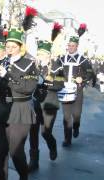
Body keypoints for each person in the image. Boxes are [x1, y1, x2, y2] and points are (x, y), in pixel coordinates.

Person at [0, 27, 38, 180]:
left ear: (20, 47)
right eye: (7, 46)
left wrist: (8, 76)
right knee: (0, 154)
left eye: (13, 46)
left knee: (16, 153)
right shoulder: (0, 63)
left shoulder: (29, 64)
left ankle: (23, 176)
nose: (9, 49)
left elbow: (28, 88)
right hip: (1, 108)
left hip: (20, 109)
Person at [28, 40, 65, 171]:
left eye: (43, 54)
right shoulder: (33, 66)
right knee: (32, 131)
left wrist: (47, 83)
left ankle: (52, 144)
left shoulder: (57, 66)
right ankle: (33, 161)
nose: (40, 56)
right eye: (38, 54)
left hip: (49, 104)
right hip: (34, 103)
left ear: (49, 55)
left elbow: (61, 85)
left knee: (45, 132)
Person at [57, 36, 93, 147]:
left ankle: (76, 126)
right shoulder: (62, 59)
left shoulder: (83, 60)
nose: (71, 47)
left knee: (76, 114)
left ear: (77, 46)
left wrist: (82, 79)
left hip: (77, 90)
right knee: (66, 116)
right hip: (65, 90)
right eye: (69, 45)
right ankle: (67, 139)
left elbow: (90, 73)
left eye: (73, 46)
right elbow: (57, 72)